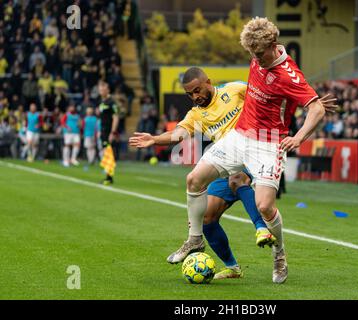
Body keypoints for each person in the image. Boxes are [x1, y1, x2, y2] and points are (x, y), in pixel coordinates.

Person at [131, 17, 326, 284]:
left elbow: (316, 108)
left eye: (258, 54)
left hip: (268, 142)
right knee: (193, 179)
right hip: (239, 136)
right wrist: (154, 139)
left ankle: (279, 253)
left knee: (266, 206)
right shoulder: (256, 55)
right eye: (252, 54)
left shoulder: (288, 75)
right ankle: (195, 240)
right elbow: (180, 132)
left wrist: (300, 135)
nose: (255, 58)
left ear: (273, 44)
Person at [98, 80, 119, 185]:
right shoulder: (102, 102)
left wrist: (113, 132)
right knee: (104, 153)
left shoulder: (111, 102)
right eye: (100, 89)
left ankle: (109, 177)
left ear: (108, 90)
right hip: (102, 131)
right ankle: (107, 175)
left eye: (103, 89)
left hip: (108, 131)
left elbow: (116, 117)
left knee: (108, 153)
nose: (101, 91)